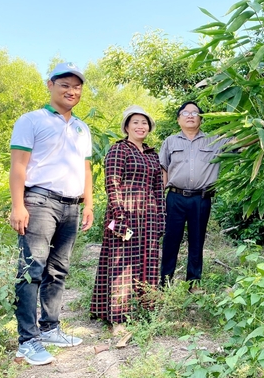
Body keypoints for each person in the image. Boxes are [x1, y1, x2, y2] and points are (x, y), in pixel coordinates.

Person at [9, 62, 93, 365]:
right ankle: (27, 341)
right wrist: (18, 205)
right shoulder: (32, 120)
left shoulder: (82, 127)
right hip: (40, 202)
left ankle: (50, 327)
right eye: (65, 85)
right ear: (50, 85)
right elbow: (19, 164)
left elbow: (86, 168)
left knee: (58, 270)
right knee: (32, 270)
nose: (72, 91)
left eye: (77, 86)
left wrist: (89, 203)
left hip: (71, 206)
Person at [90, 105, 165, 331]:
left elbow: (158, 189)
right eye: (135, 122)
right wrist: (119, 216)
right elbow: (112, 184)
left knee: (148, 263)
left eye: (144, 123)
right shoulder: (118, 150)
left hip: (149, 216)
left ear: (149, 127)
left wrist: (161, 217)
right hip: (125, 213)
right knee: (121, 264)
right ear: (126, 126)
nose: (140, 126)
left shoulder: (153, 155)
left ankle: (145, 311)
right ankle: (118, 319)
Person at [159, 101, 230, 289]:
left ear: (201, 118)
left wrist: (262, 129)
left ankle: (194, 283)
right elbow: (163, 169)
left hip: (201, 198)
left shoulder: (214, 141)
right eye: (185, 113)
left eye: (195, 113)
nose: (190, 116)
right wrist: (160, 198)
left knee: (197, 241)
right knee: (170, 240)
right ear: (178, 119)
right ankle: (165, 283)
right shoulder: (170, 141)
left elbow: (241, 143)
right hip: (175, 198)